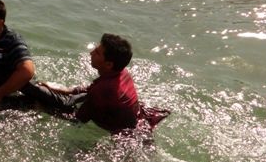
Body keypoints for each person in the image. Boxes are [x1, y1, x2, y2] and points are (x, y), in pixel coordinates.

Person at [31, 33, 170, 134]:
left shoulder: (104, 90)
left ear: (109, 64)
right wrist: (68, 89)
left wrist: (42, 109)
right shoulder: (123, 73)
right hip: (136, 120)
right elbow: (91, 90)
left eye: (97, 52)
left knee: (41, 101)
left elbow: (78, 119)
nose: (91, 53)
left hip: (125, 135)